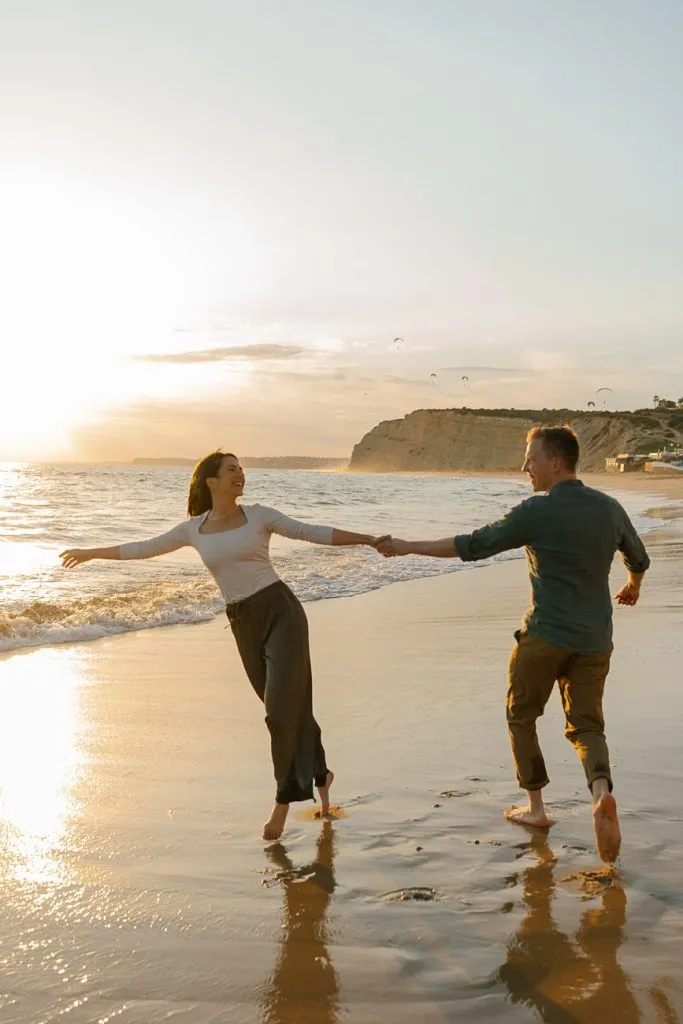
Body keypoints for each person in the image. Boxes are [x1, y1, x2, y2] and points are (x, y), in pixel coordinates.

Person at [61, 450, 385, 841]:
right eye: (231, 469)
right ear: (210, 481)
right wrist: (91, 553)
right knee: (287, 706)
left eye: (241, 468)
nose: (240, 474)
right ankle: (321, 773)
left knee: (280, 710)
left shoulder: (260, 515)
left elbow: (311, 531)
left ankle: (281, 802)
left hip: (282, 613)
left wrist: (366, 539)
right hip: (243, 623)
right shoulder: (193, 529)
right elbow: (144, 547)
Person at [376, 426, 650, 863]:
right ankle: (600, 793)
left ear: (556, 462)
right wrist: (632, 585)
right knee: (587, 726)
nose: (526, 467)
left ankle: (537, 810)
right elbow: (639, 558)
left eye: (531, 459)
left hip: (543, 637)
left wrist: (408, 546)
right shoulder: (610, 508)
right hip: (595, 640)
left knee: (521, 715)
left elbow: (473, 545)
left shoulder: (534, 512)